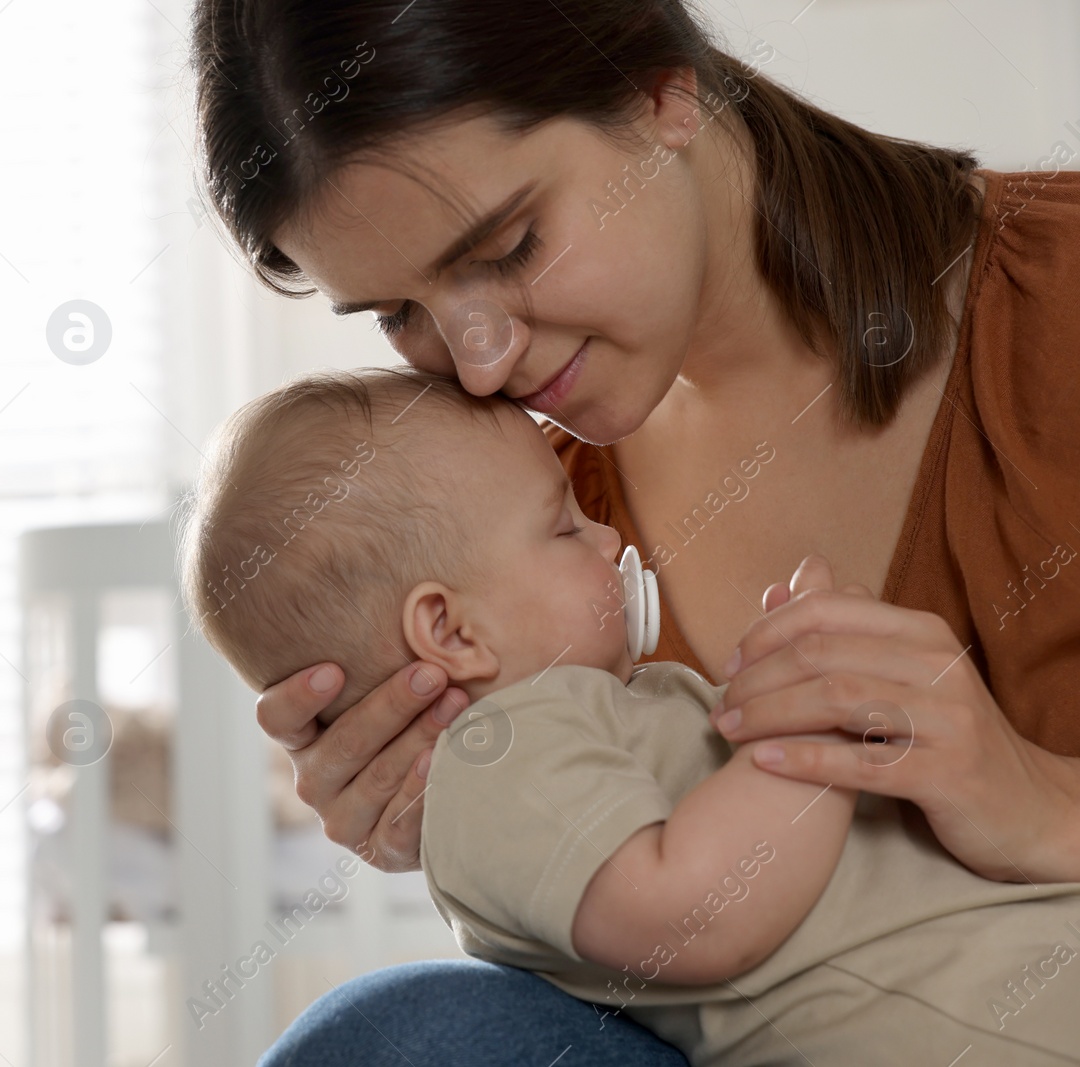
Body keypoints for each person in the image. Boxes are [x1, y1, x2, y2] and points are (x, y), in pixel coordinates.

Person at [189, 0, 1080, 1062]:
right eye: (398, 313)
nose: (476, 365)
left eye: (510, 244)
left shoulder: (1055, 306)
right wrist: (469, 806)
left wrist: (1043, 803)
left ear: (663, 92)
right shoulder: (516, 507)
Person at [177, 366, 1080, 1064]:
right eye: (565, 529)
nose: (610, 540)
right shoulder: (503, 752)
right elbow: (692, 911)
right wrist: (803, 731)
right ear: (450, 630)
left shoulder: (580, 719)